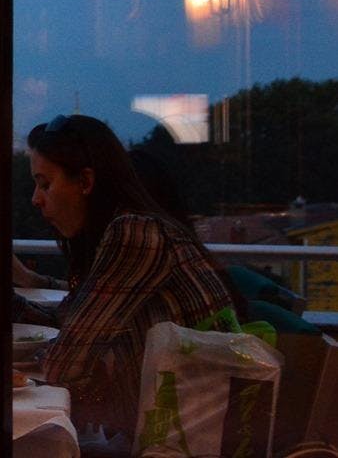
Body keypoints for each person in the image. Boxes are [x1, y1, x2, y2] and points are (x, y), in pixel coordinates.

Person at [18, 114, 233, 442]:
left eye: (45, 184)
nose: (35, 198)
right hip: (164, 431)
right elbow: (74, 317)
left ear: (86, 182)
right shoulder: (128, 228)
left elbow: (66, 365)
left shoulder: (135, 233)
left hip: (177, 443)